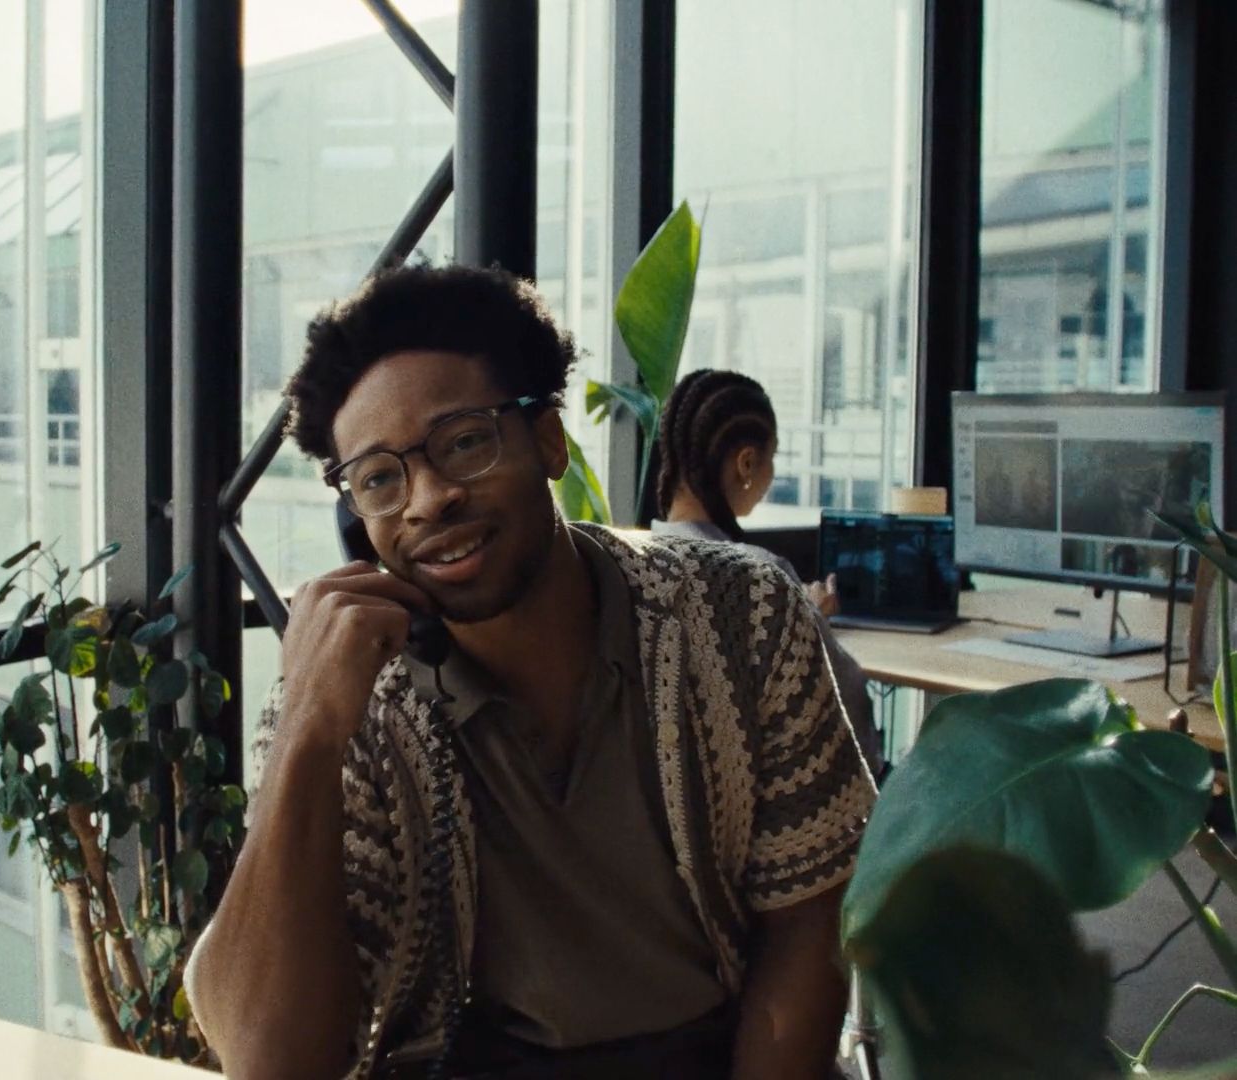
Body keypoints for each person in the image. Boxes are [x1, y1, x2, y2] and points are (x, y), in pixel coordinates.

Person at [186, 265, 876, 1079]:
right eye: (379, 479)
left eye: (466, 442)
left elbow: (807, 925)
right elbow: (270, 1061)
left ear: (548, 439)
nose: (429, 499)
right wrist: (307, 732)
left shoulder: (741, 612)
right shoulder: (352, 696)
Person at [650, 369, 883, 772]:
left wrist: (803, 618)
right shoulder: (762, 578)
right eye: (771, 458)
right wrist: (804, 616)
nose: (770, 474)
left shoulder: (637, 562)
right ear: (746, 462)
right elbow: (852, 714)